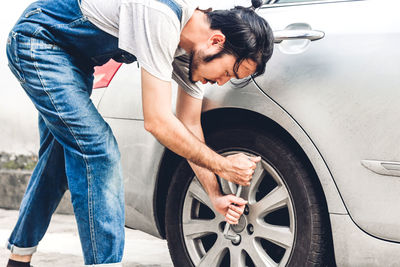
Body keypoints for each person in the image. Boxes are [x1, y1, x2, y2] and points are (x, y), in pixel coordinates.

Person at [5, 0, 274, 265]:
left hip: (73, 61)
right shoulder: (158, 15)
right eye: (227, 72)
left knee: (57, 161)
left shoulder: (190, 52)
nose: (221, 81)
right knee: (98, 149)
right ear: (216, 41)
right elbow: (157, 121)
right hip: (39, 41)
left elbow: (189, 126)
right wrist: (224, 165)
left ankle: (19, 257)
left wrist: (215, 194)